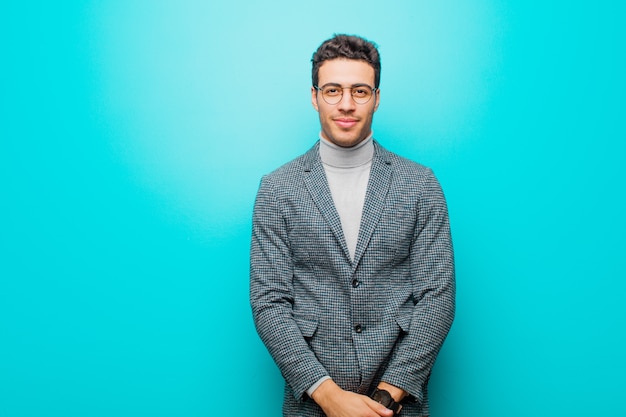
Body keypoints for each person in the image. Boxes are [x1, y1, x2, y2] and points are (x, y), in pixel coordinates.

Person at [250, 34, 455, 417]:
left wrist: (384, 399)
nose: (346, 104)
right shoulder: (277, 188)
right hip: (311, 405)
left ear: (377, 97)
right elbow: (269, 303)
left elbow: (437, 298)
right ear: (314, 97)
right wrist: (328, 396)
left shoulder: (420, 184)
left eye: (360, 91)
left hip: (398, 406)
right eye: (333, 90)